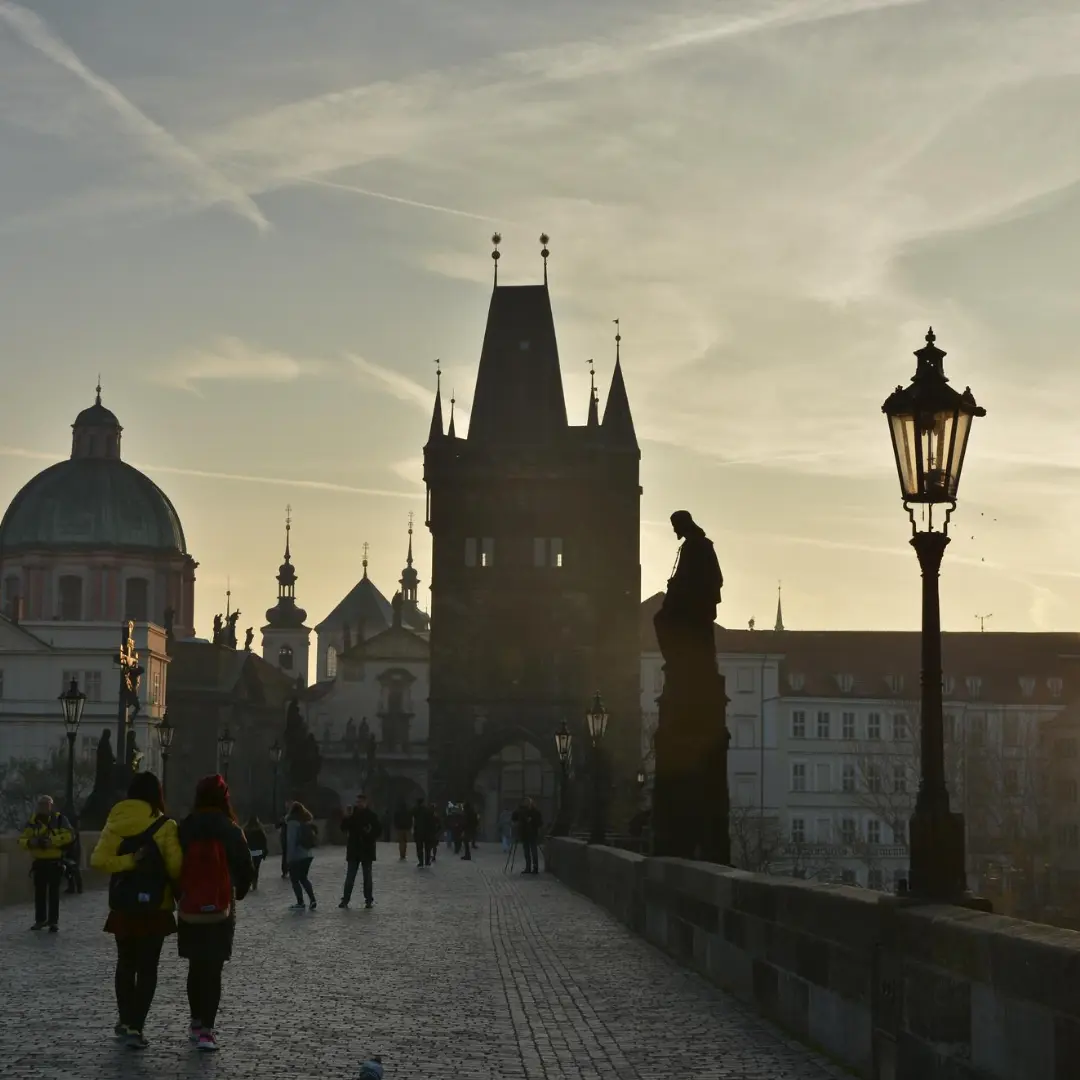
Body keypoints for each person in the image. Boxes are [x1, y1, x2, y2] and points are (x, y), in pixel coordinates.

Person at [91, 772, 183, 1049]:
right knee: (147, 968)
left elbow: (98, 860)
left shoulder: (114, 823)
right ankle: (136, 1026)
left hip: (123, 905)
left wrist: (129, 861)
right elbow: (176, 868)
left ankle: (123, 1018)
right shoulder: (165, 825)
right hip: (155, 907)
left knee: (125, 963)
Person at [177, 775, 254, 1052]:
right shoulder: (230, 828)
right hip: (221, 907)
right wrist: (240, 891)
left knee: (195, 966)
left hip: (190, 907)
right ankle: (207, 1030)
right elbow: (246, 866)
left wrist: (181, 894)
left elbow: (174, 863)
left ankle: (195, 1021)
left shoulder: (186, 827)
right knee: (213, 968)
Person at [18, 795, 73, 932]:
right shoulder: (32, 822)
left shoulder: (60, 820)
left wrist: (52, 841)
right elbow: (22, 839)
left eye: (46, 804)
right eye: (41, 805)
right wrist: (31, 842)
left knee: (54, 893)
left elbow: (70, 836)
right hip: (39, 862)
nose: (43, 807)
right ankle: (40, 920)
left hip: (55, 861)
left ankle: (53, 921)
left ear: (51, 806)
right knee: (39, 893)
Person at [339, 794, 381, 909]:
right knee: (350, 877)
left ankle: (368, 900)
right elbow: (343, 828)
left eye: (361, 802)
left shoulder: (372, 816)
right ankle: (345, 900)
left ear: (366, 802)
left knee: (367, 877)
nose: (359, 804)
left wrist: (369, 834)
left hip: (367, 849)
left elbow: (378, 831)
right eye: (357, 802)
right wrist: (346, 817)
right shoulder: (352, 815)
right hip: (354, 849)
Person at [285, 801, 318, 910]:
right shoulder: (306, 821)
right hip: (308, 854)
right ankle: (312, 899)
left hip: (297, 856)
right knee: (303, 878)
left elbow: (291, 841)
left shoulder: (292, 823)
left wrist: (288, 858)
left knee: (294, 879)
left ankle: (300, 902)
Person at [512, 798, 543, 875]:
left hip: (529, 834)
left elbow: (514, 818)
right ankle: (530, 867)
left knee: (531, 851)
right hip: (527, 834)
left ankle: (531, 867)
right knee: (529, 851)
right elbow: (514, 818)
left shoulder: (532, 812)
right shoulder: (525, 812)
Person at [244, 816, 268, 890]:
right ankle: (255, 883)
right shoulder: (260, 830)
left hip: (249, 851)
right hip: (258, 852)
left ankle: (249, 881)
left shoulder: (245, 830)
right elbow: (264, 841)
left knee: (249, 868)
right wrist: (264, 851)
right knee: (256, 868)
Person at [411, 797, 431, 867]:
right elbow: (430, 821)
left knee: (419, 847)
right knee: (427, 847)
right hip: (427, 831)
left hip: (418, 831)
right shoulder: (427, 810)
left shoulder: (415, 810)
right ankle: (427, 861)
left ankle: (421, 861)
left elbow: (412, 819)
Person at [277, 801, 292, 878]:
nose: (288, 807)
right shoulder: (283, 815)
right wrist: (281, 821)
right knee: (285, 854)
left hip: (292, 837)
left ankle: (291, 870)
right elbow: (277, 825)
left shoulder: (294, 815)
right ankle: (285, 870)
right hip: (285, 837)